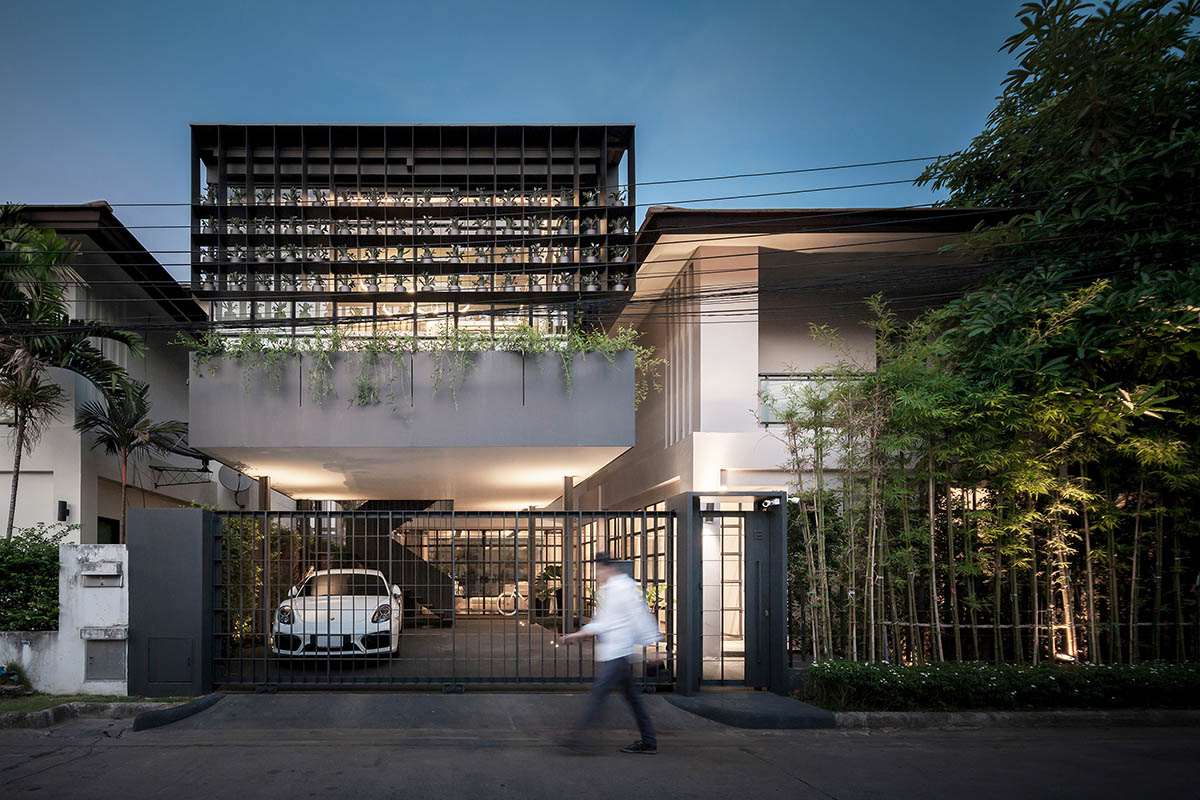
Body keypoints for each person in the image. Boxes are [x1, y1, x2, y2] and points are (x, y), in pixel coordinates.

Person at [561, 551, 659, 754]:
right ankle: (649, 741)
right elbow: (602, 621)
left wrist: (651, 645)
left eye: (599, 569)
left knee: (599, 694)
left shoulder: (624, 588)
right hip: (617, 652)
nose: (597, 574)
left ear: (609, 567)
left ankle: (578, 740)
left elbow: (640, 617)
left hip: (619, 653)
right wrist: (578, 635)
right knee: (633, 699)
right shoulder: (609, 590)